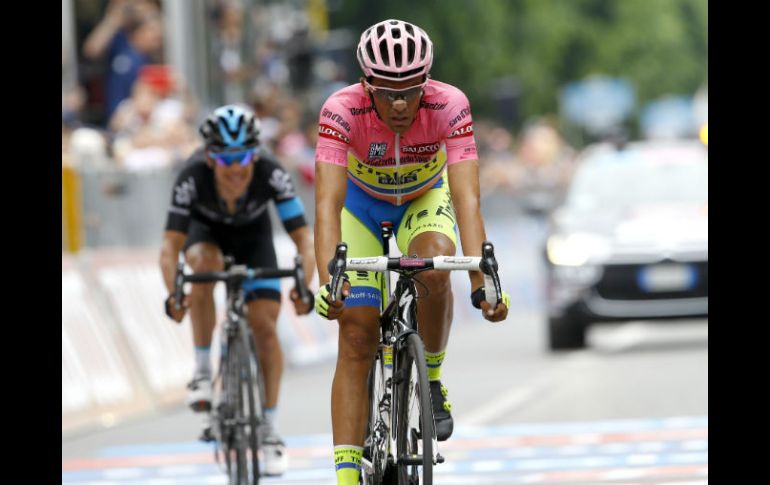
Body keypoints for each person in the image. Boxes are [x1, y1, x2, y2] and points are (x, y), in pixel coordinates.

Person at [312, 19, 511, 484]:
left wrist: (482, 282)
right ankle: (345, 478)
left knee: (437, 266)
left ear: (427, 83)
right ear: (366, 85)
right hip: (359, 208)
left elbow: (467, 200)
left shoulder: (449, 104)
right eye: (386, 92)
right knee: (357, 336)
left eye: (411, 90)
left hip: (422, 199)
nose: (400, 104)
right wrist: (329, 279)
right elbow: (326, 204)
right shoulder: (340, 110)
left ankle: (434, 379)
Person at [159, 104, 315, 476]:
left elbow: (305, 241)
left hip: (254, 240)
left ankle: (270, 430)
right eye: (226, 159)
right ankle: (201, 370)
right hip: (206, 238)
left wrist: (304, 286)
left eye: (244, 156)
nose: (237, 168)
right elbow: (169, 248)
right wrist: (174, 292)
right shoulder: (191, 175)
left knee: (265, 328)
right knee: (203, 267)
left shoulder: (270, 172)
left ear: (255, 153)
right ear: (210, 158)